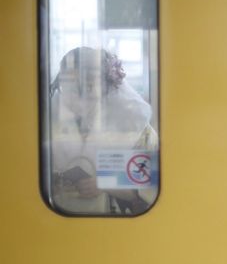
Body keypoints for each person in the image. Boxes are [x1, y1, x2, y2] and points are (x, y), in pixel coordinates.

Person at [48, 46, 158, 216]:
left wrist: (104, 183)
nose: (73, 98)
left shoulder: (134, 127)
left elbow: (151, 190)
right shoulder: (46, 122)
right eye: (67, 89)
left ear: (103, 88)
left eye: (85, 89)